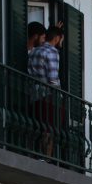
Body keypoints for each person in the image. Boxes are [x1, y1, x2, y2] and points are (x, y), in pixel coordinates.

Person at [28, 25, 64, 157]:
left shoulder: (34, 51)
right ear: (57, 38)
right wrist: (60, 95)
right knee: (49, 130)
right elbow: (52, 78)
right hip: (48, 95)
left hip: (34, 94)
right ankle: (46, 159)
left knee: (37, 127)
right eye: (61, 39)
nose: (61, 42)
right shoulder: (52, 52)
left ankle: (35, 155)